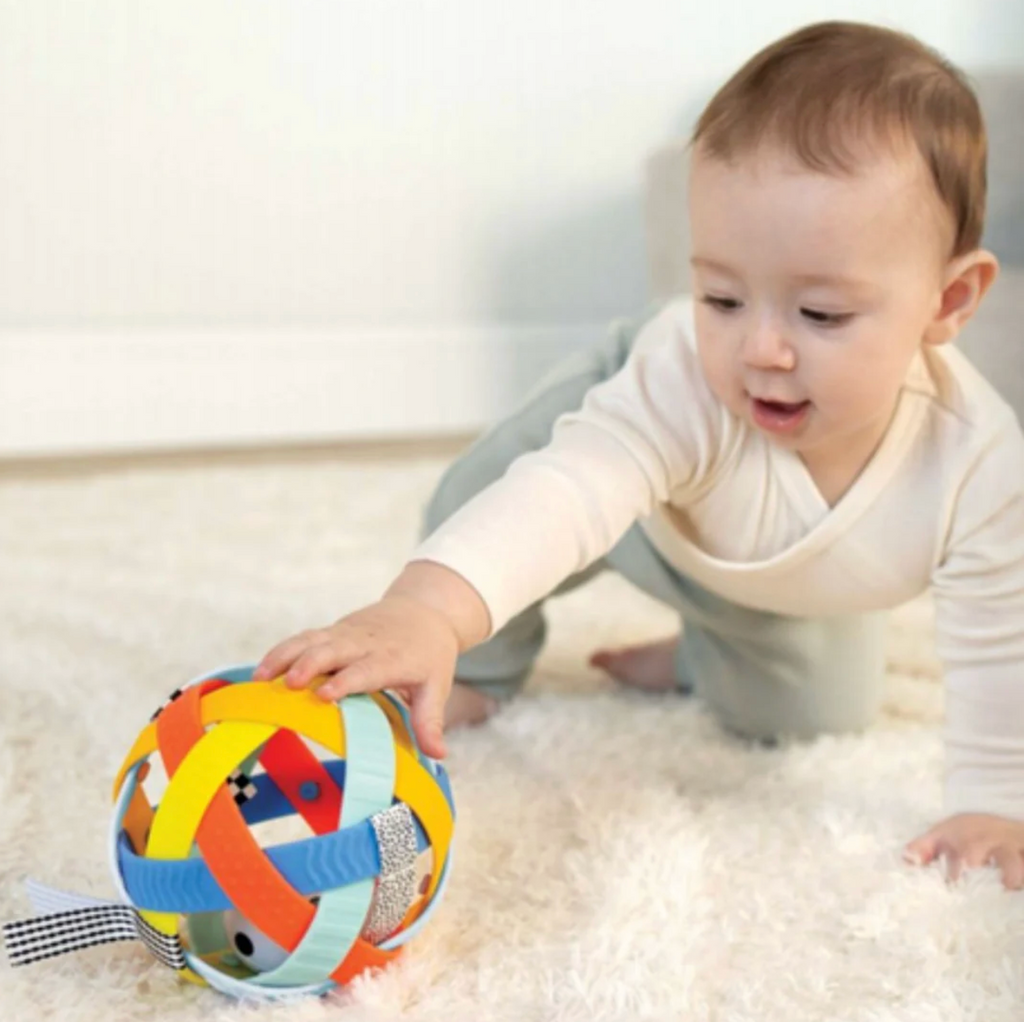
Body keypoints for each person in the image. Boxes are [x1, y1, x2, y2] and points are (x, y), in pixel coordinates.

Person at [254, 21, 1024, 887]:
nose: (760, 349)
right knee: (485, 498)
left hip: (764, 567)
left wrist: (993, 800)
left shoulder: (979, 464)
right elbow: (568, 491)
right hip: (623, 457)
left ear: (949, 301)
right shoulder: (685, 378)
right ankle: (484, 666)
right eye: (721, 296)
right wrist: (427, 613)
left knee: (815, 714)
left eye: (820, 315)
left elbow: (1001, 639)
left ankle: (702, 649)